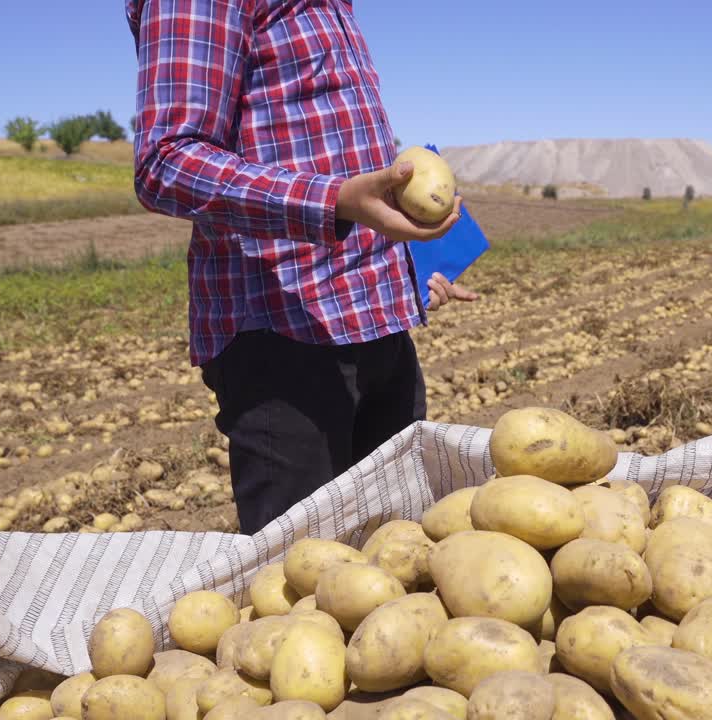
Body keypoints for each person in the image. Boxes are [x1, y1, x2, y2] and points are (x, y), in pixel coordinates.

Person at [125, 0, 478, 535]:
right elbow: (166, 161)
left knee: (405, 567)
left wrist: (417, 260)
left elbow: (331, 149)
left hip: (377, 322)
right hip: (282, 341)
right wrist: (333, 201)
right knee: (301, 594)